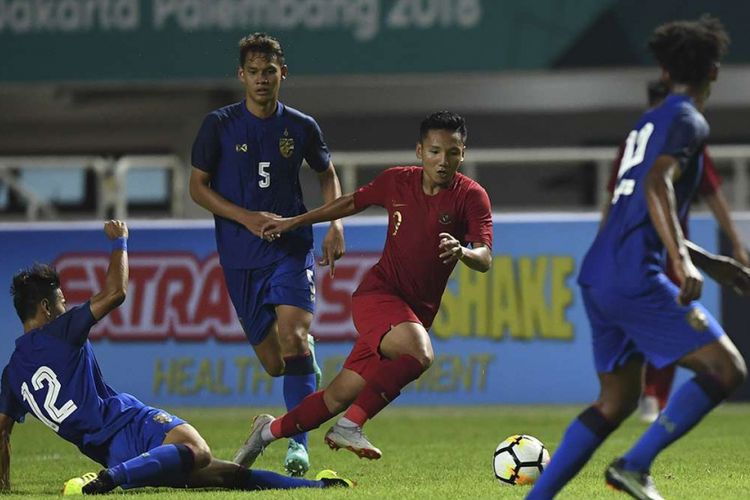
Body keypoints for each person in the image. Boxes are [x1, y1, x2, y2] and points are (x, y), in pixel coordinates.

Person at [528, 16, 750, 500]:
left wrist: (707, 262)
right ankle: (635, 465)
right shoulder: (689, 120)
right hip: (635, 275)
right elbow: (656, 185)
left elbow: (638, 210)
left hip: (600, 273)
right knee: (726, 369)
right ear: (714, 71)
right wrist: (683, 263)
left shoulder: (645, 124)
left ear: (665, 74)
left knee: (616, 400)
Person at [0, 221, 353, 495]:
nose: (65, 307)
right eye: (61, 301)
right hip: (126, 423)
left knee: (223, 474)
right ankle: (108, 481)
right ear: (45, 308)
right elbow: (116, 292)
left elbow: (2, 433)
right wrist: (120, 240)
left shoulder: (12, 374)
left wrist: (4, 487)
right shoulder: (58, 332)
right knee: (195, 449)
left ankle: (320, 488)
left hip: (107, 450)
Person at [230, 111, 493, 468]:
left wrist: (463, 251)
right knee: (420, 354)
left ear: (463, 154)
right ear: (419, 151)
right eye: (434, 151)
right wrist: (296, 221)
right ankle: (351, 425)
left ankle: (265, 432)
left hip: (412, 315)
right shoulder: (397, 181)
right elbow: (350, 202)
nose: (442, 161)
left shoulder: (472, 196)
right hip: (378, 296)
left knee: (335, 397)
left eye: (452, 153)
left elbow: (485, 257)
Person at [189, 33, 346, 476]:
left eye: (269, 72)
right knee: (277, 364)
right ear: (241, 75)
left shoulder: (301, 126)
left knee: (294, 336)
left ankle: (299, 446)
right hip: (240, 255)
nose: (262, 80)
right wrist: (245, 217)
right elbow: (197, 188)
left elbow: (327, 174)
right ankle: (301, 363)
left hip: (292, 248)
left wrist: (335, 222)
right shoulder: (217, 125)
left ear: (283, 74)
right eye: (253, 72)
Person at [602, 80, 750, 423]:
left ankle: (653, 397)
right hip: (660, 252)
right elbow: (618, 199)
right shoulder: (658, 139)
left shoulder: (639, 141)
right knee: (671, 322)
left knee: (666, 316)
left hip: (663, 250)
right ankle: (649, 398)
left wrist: (734, 243)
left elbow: (711, 192)